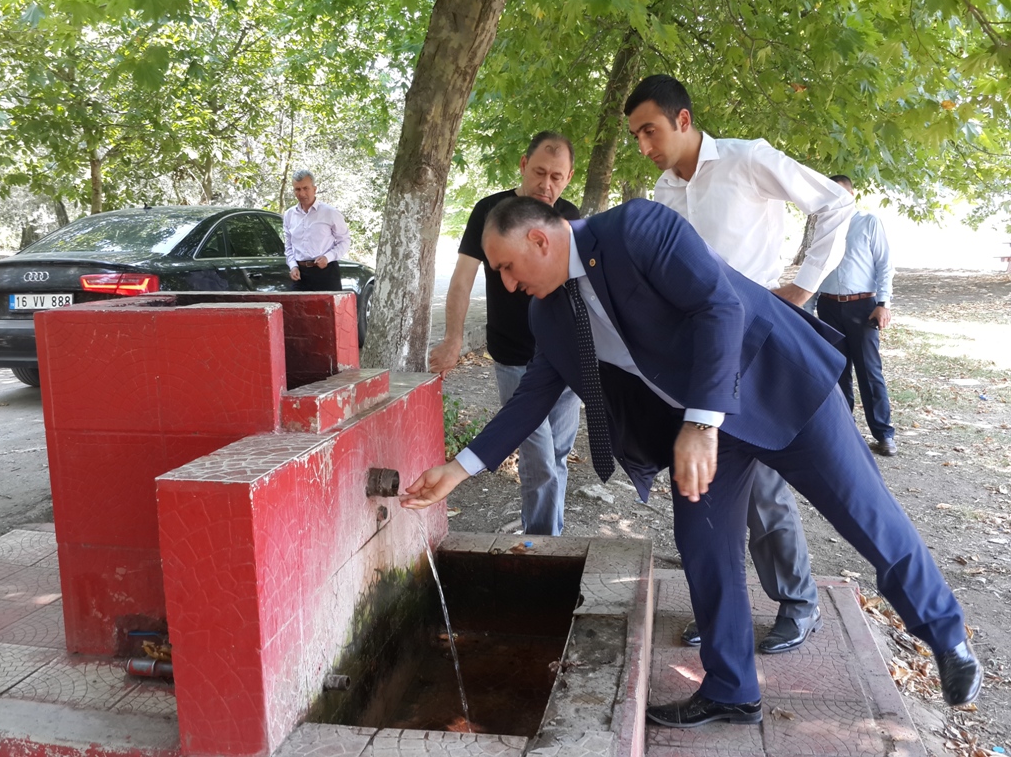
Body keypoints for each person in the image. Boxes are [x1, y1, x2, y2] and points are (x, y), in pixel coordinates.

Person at [400, 196, 981, 728]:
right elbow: (532, 398)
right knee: (703, 544)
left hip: (780, 387)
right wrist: (458, 469)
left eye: (506, 267)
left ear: (539, 240)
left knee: (866, 516)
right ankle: (732, 689)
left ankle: (947, 637)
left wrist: (701, 423)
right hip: (706, 432)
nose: (506, 283)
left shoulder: (636, 228)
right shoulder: (548, 316)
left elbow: (718, 306)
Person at [623, 74, 854, 654]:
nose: (644, 146)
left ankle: (798, 602)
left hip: (755, 347)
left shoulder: (746, 160)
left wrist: (801, 288)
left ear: (682, 119)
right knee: (708, 489)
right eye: (635, 137)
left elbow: (836, 202)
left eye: (649, 131)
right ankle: (723, 609)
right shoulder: (663, 193)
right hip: (694, 358)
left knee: (764, 487)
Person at [428, 132, 581, 536]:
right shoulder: (489, 211)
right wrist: (453, 339)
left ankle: (545, 536)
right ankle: (543, 544)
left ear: (568, 178)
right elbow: (462, 278)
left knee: (558, 455)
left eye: (557, 177)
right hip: (514, 356)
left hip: (564, 359)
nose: (546, 185)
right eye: (539, 172)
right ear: (523, 164)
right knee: (540, 459)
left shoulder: (570, 217)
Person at [817, 174, 898, 457]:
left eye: (840, 193)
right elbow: (814, 268)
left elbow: (884, 264)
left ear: (851, 195)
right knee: (836, 371)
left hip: (863, 307)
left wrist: (883, 303)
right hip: (827, 307)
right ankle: (844, 433)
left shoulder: (868, 222)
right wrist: (807, 307)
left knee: (869, 371)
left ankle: (884, 434)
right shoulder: (821, 226)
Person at [283, 169, 351, 292]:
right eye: (297, 189)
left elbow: (344, 241)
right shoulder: (289, 215)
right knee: (296, 305)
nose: (302, 193)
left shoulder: (330, 213)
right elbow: (288, 246)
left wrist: (328, 257)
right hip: (300, 275)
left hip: (326, 272)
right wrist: (293, 266)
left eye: (306, 188)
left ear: (314, 189)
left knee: (328, 305)